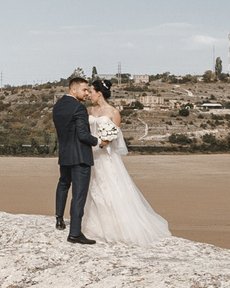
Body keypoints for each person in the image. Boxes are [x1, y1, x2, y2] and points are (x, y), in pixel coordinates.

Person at [79, 77, 171, 244]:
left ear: (99, 94)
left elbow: (116, 138)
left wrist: (106, 140)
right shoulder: (89, 111)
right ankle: (94, 225)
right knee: (93, 189)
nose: (89, 95)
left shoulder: (114, 113)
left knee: (110, 188)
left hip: (105, 156)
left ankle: (116, 227)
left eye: (91, 92)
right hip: (91, 155)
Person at [52, 73, 100, 243]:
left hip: (65, 153)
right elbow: (83, 135)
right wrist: (98, 141)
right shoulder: (78, 108)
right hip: (80, 155)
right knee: (79, 194)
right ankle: (74, 233)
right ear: (73, 89)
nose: (87, 93)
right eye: (84, 90)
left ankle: (59, 218)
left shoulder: (58, 106)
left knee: (63, 184)